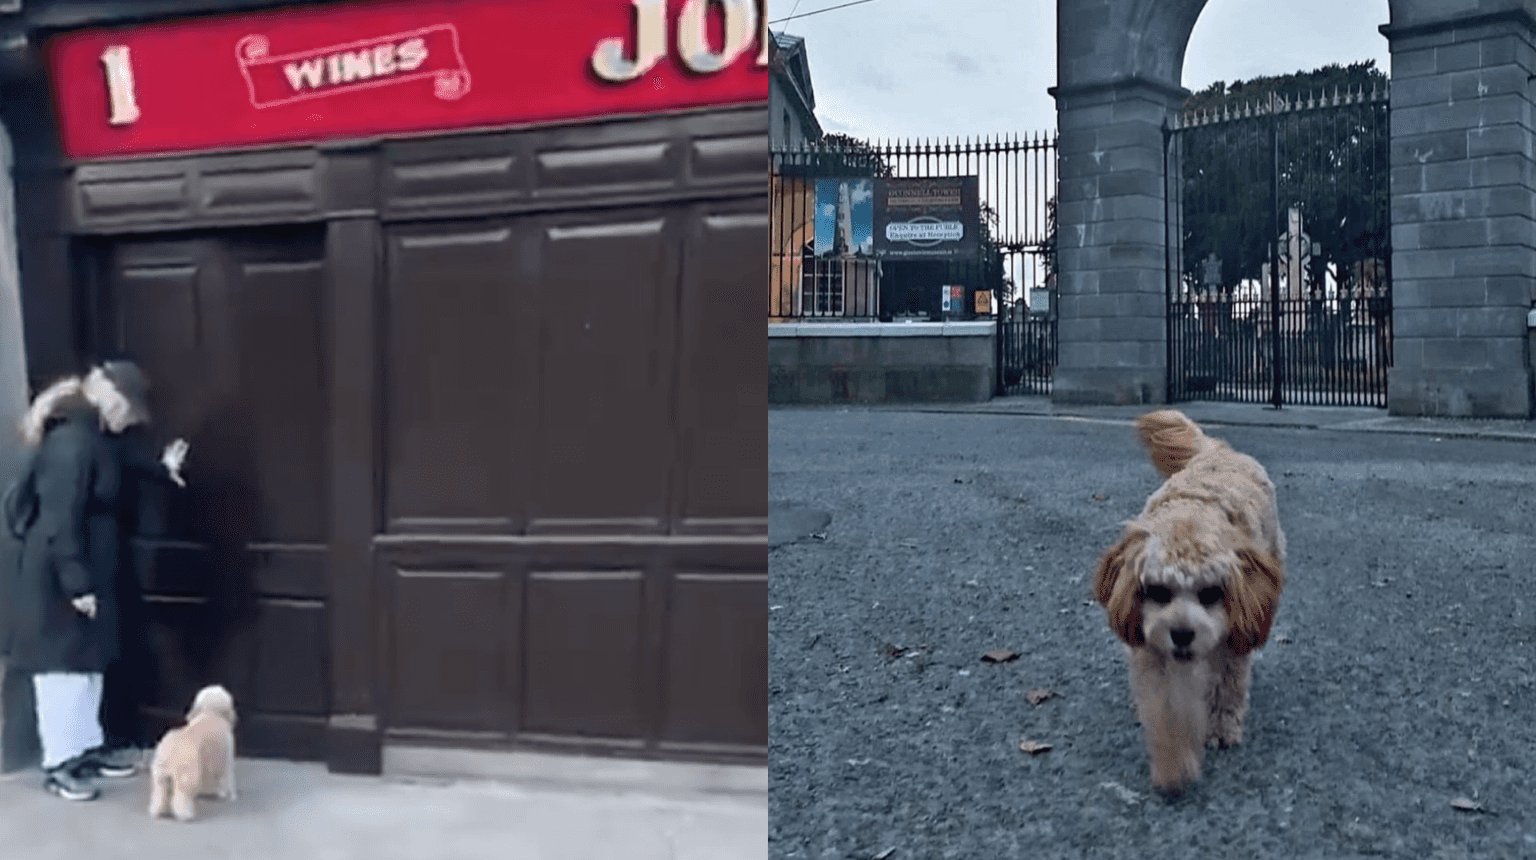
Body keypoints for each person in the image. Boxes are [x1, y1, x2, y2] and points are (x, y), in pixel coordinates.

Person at [2, 375, 130, 800]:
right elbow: (60, 518)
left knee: (85, 668)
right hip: (57, 577)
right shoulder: (73, 443)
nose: (128, 422)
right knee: (61, 674)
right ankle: (60, 763)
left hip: (78, 570)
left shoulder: (85, 437)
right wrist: (76, 582)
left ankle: (85, 749)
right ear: (113, 404)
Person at [79, 360, 187, 775]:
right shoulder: (77, 434)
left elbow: (125, 459)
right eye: (124, 407)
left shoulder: (105, 437)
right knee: (85, 658)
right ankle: (81, 750)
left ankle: (101, 741)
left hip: (108, 558)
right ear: (108, 391)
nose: (125, 419)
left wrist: (161, 470)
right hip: (85, 561)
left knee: (109, 650)